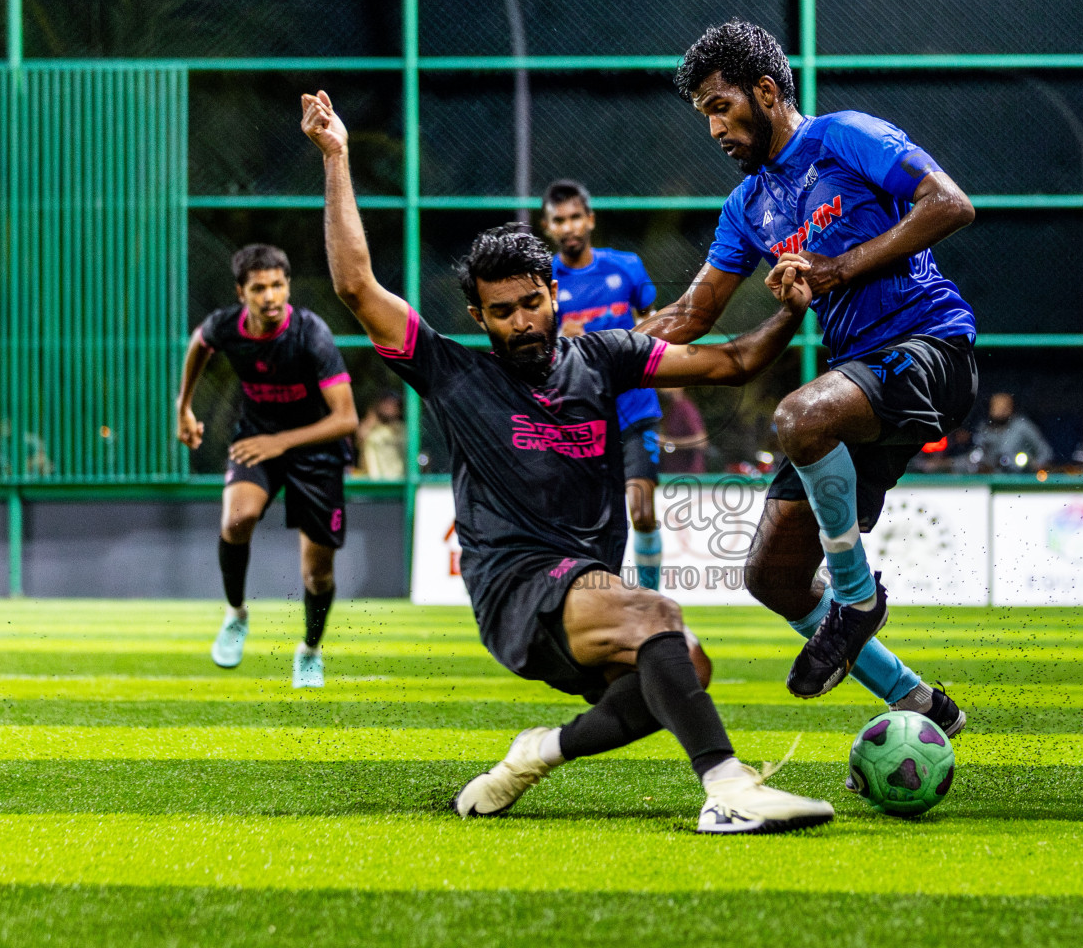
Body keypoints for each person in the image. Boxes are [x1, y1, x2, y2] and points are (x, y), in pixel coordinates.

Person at [301, 88, 833, 834]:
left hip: (589, 583)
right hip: (516, 585)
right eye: (502, 311)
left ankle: (536, 753)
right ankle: (728, 789)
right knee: (657, 613)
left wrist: (793, 304)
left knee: (686, 668)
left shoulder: (604, 356)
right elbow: (356, 285)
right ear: (477, 317)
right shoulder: (454, 372)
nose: (521, 321)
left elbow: (734, 362)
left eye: (531, 302)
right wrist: (337, 157)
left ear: (555, 293)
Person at [641, 20, 977, 732]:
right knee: (773, 579)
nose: (713, 128)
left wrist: (837, 269)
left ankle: (857, 600)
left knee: (797, 418)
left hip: (929, 348)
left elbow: (950, 204)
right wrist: (587, 351)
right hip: (859, 383)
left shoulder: (845, 136)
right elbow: (693, 315)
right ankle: (923, 705)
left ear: (766, 91)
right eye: (705, 113)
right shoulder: (747, 206)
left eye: (719, 106)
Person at [175, 244, 358, 688]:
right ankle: (237, 614)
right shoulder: (227, 326)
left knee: (317, 573)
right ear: (242, 293)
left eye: (278, 285)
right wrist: (183, 407)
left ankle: (310, 650)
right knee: (238, 518)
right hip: (257, 439)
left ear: (288, 286)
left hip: (315, 452)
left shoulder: (310, 334)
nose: (270, 296)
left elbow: (346, 418)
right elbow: (200, 342)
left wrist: (280, 442)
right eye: (259, 288)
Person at [542, 180, 665, 591]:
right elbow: (533, 351)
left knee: (641, 508)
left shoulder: (627, 267)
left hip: (634, 409)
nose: (569, 227)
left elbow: (657, 320)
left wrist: (641, 335)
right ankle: (597, 599)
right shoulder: (544, 283)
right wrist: (559, 337)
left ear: (590, 219)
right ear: (548, 227)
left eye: (576, 216)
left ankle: (650, 597)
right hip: (579, 416)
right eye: (559, 220)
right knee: (588, 519)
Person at [973, 392, 1052, 472]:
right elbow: (977, 456)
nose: (1001, 411)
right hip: (995, 478)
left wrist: (1037, 464)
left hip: (1021, 477)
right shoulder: (983, 429)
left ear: (1011, 408)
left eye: (1005, 407)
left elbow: (1045, 451)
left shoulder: (1022, 426)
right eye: (997, 407)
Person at [357, 389, 406, 479]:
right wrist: (371, 416)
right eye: (385, 403)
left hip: (400, 482)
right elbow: (360, 438)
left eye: (393, 404)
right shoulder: (371, 427)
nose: (388, 406)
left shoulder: (404, 429)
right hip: (375, 483)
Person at [660, 387, 710, 474]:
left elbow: (701, 441)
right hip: (673, 475)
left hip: (689, 478)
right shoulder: (671, 409)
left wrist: (669, 443)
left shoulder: (685, 408)